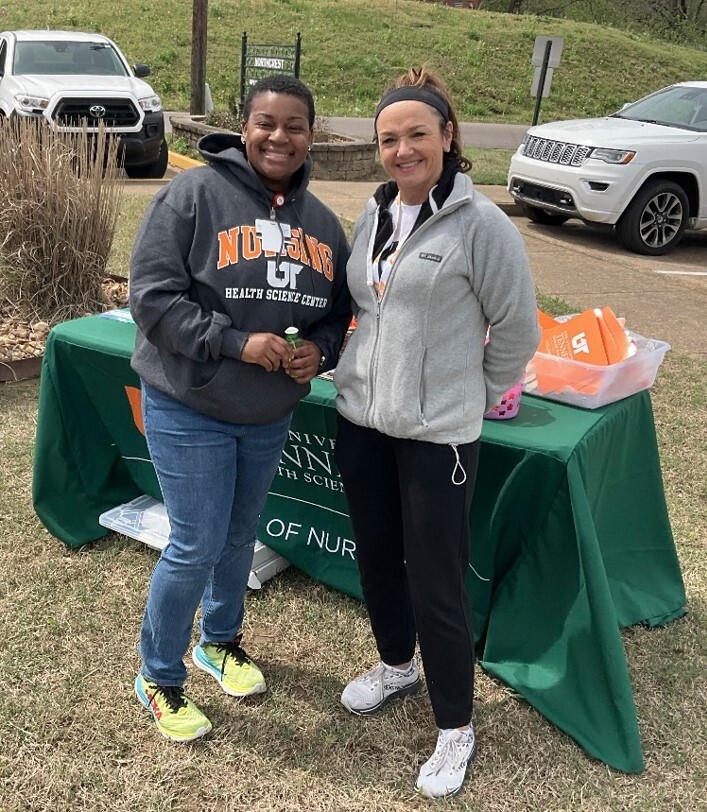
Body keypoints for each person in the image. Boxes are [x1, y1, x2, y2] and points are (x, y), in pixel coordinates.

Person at [333, 67, 539, 799]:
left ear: (448, 139)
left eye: (417, 133)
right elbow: (366, 307)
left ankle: (455, 726)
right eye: (389, 138)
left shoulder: (483, 227)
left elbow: (517, 330)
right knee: (378, 559)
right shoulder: (373, 213)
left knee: (438, 583)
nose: (402, 150)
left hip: (437, 439)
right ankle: (396, 665)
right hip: (361, 421)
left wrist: (468, 399)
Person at [129, 74, 351, 742]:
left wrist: (320, 352)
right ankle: (158, 676)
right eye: (265, 122)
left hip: (267, 413)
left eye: (294, 125)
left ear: (311, 135)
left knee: (237, 536)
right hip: (190, 401)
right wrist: (233, 343)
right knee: (195, 543)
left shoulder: (321, 223)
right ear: (243, 126)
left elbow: (337, 316)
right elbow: (153, 298)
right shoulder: (194, 194)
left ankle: (218, 642)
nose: (279, 136)